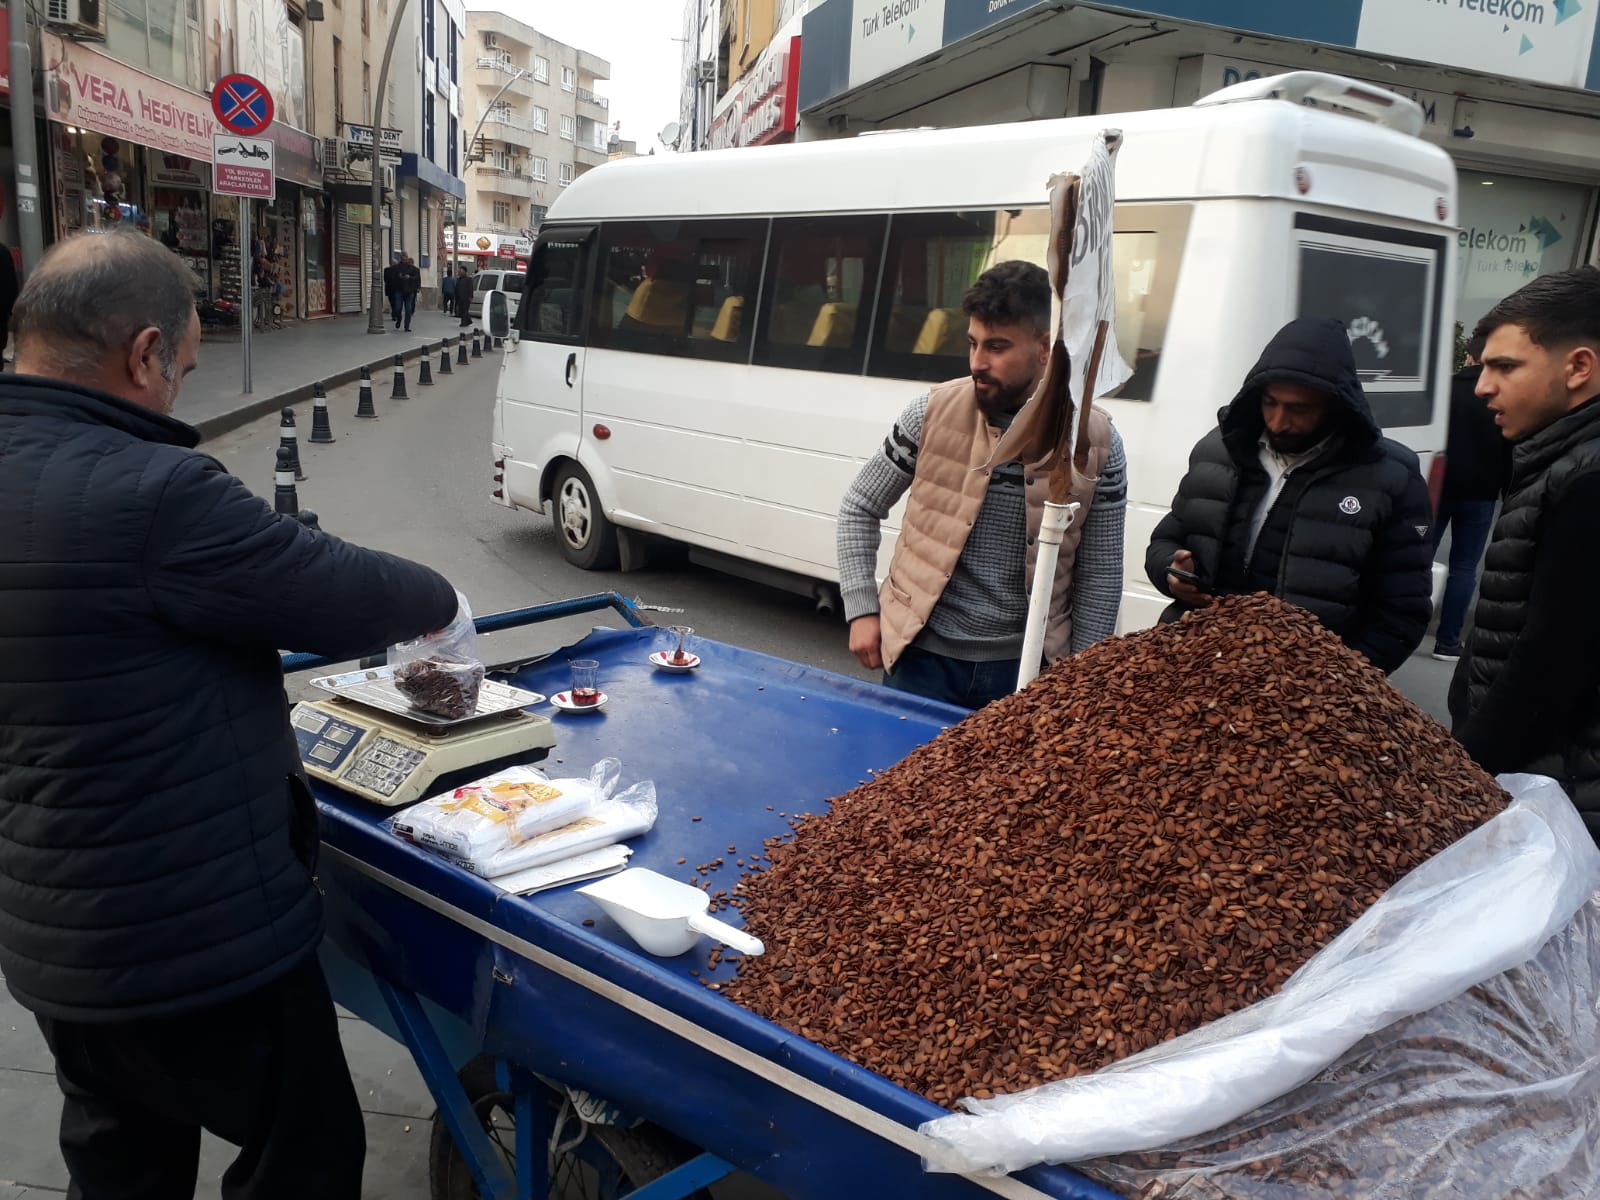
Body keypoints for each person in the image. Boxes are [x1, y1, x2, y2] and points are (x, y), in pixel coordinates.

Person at [0, 231, 459, 1197]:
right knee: (304, 1151)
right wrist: (444, 602)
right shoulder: (153, 491)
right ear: (143, 353)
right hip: (193, 938)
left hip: (54, 937)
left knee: (121, 1158)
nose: (178, 390)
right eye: (185, 368)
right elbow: (331, 589)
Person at [837, 259, 1127, 710]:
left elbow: (1101, 571)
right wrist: (861, 609)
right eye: (972, 344)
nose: (978, 362)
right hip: (921, 660)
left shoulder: (1094, 441)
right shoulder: (929, 414)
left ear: (1044, 347)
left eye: (996, 347)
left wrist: (1082, 679)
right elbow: (860, 506)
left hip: (1028, 670)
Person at [1145, 316, 1434, 674]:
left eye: (1299, 409)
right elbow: (1166, 540)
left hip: (1303, 694)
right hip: (1193, 665)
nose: (1279, 422)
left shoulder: (1391, 477)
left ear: (1336, 405)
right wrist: (1172, 574)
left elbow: (1402, 611)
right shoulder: (1217, 451)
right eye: (1270, 403)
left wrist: (1340, 681)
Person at [1449, 267, 1600, 842]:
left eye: (1504, 366)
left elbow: (1553, 658)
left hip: (1560, 798)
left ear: (1578, 367)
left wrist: (1462, 772)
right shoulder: (1562, 458)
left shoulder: (1588, 477)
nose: (1482, 385)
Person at [1430, 338, 1512, 661]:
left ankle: (1403, 628)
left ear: (1467, 357)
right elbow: (1510, 449)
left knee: (1417, 557)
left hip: (1438, 487)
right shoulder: (1500, 396)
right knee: (1464, 568)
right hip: (1481, 494)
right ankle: (1447, 642)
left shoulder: (1444, 390)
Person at [394, 253, 421, 332]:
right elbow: (393, 278)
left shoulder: (413, 269)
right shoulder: (397, 268)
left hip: (409, 291)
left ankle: (407, 326)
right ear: (400, 259)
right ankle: (399, 319)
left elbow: (417, 278)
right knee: (397, 308)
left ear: (407, 258)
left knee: (408, 310)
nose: (404, 260)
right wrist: (398, 277)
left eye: (405, 259)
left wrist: (410, 277)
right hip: (399, 290)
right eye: (402, 259)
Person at [382, 256, 401, 327]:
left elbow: (386, 280)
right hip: (393, 289)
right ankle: (394, 314)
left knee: (394, 302)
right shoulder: (390, 270)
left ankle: (394, 315)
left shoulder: (388, 270)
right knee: (394, 302)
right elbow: (386, 279)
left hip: (392, 289)